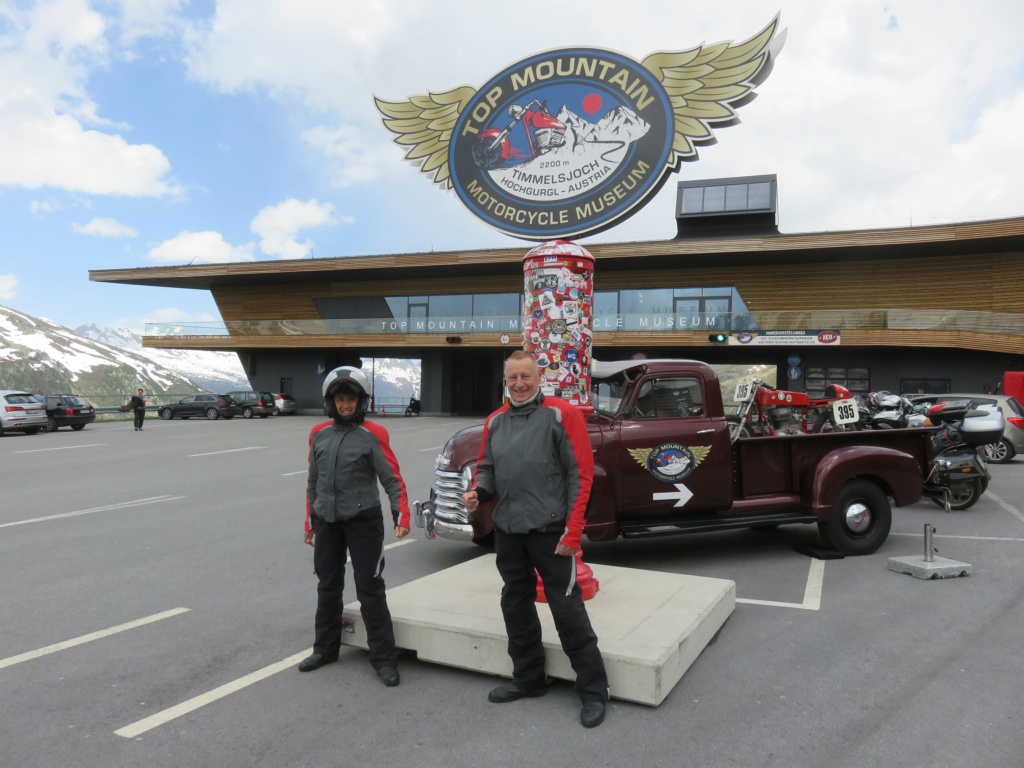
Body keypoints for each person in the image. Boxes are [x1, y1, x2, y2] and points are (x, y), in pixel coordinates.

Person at [463, 350, 609, 728]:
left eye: (525, 376)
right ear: (505, 380)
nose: (519, 384)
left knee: (567, 610)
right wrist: (480, 491)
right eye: (512, 378)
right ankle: (529, 679)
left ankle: (594, 691)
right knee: (515, 605)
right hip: (509, 531)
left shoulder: (562, 415)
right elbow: (487, 469)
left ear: (538, 376)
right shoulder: (495, 421)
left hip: (552, 532)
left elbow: (581, 475)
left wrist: (572, 532)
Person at [300, 366, 411, 687]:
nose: (345, 405)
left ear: (361, 402)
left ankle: (384, 659)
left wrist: (400, 515)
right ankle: (325, 649)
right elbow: (313, 480)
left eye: (351, 399)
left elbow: (392, 478)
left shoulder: (373, 434)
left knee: (370, 589)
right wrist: (310, 520)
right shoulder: (318, 434)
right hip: (327, 522)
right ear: (330, 403)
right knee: (328, 585)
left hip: (364, 523)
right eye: (340, 399)